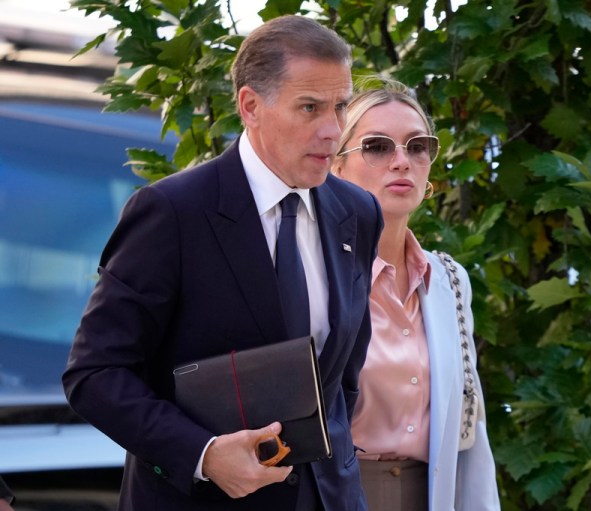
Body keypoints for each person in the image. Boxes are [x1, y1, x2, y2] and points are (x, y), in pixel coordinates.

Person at [62, 15, 383, 511]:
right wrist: (205, 456)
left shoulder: (357, 212)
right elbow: (95, 374)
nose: (334, 130)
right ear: (250, 106)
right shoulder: (172, 212)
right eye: (310, 108)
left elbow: (342, 379)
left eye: (341, 107)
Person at [332, 78, 500, 511]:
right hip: (335, 497)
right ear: (336, 165)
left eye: (417, 145)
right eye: (377, 147)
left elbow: (469, 437)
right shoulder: (315, 272)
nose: (402, 161)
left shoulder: (449, 279)